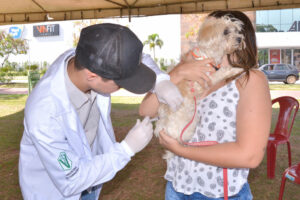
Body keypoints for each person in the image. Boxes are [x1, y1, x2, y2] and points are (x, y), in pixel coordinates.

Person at [18, 23, 183, 200]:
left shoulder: (89, 57)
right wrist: (126, 149)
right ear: (92, 76)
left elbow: (136, 59)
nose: (123, 87)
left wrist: (160, 81)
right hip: (55, 191)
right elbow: (71, 179)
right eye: (120, 83)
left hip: (91, 178)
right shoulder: (44, 113)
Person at [139, 10, 272, 200]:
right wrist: (177, 73)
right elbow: (145, 110)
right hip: (177, 187)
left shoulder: (250, 79)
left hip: (219, 193)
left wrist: (181, 150)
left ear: (238, 37)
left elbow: (249, 155)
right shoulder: (193, 73)